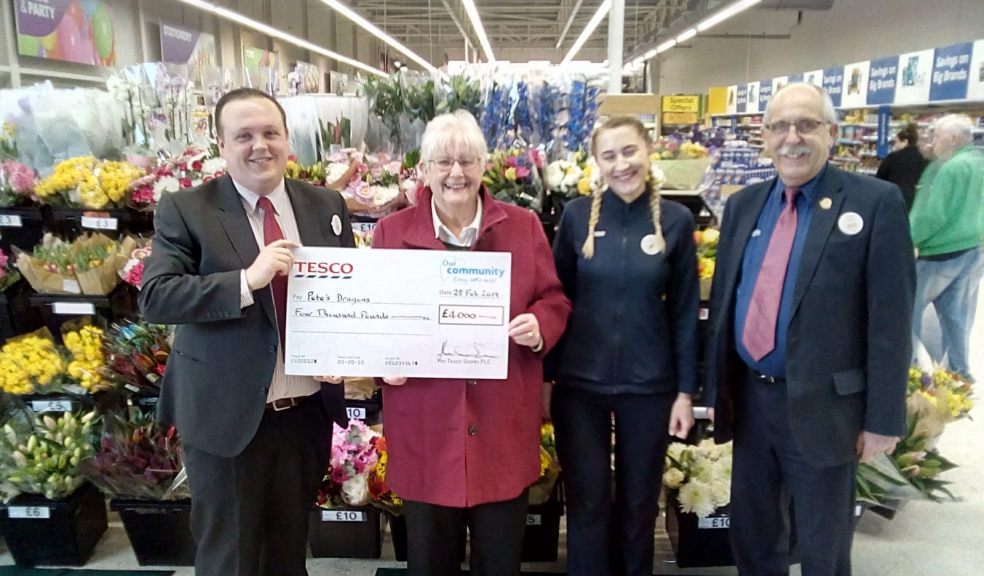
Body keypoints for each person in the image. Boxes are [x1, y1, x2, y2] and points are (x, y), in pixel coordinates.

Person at [138, 87, 354, 576]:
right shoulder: (187, 208)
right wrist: (246, 281)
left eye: (270, 132)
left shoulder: (326, 204)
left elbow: (348, 295)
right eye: (244, 136)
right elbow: (155, 296)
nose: (260, 145)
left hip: (304, 415)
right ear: (221, 144)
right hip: (227, 416)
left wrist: (352, 353)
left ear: (287, 139)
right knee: (229, 557)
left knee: (288, 552)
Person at [704, 83, 914, 576]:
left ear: (832, 134)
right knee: (753, 538)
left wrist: (884, 418)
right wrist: (714, 391)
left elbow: (891, 319)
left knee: (823, 547)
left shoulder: (874, 202)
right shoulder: (744, 205)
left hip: (826, 409)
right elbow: (727, 304)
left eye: (806, 125)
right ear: (765, 135)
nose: (791, 138)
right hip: (752, 404)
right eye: (779, 126)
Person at [370, 110, 571, 576]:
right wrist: (384, 362)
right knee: (429, 563)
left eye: (467, 160)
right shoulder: (391, 233)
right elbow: (376, 316)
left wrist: (539, 324)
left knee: (500, 562)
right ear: (423, 171)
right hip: (425, 426)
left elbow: (554, 299)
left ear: (484, 166)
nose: (455, 173)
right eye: (443, 162)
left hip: (501, 422)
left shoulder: (524, 227)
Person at [549, 115, 698, 576]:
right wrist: (545, 379)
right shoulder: (576, 218)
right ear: (597, 162)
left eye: (629, 152)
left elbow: (687, 313)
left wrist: (685, 393)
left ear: (648, 151)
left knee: (638, 504)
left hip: (650, 387)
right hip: (579, 387)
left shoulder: (676, 221)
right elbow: (555, 300)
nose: (621, 165)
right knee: (587, 502)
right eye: (609, 156)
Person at [909, 114, 984, 381]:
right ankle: (960, 373)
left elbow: (933, 215)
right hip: (972, 250)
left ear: (952, 138)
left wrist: (908, 240)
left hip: (940, 253)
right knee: (956, 318)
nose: (932, 141)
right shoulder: (978, 162)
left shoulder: (950, 168)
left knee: (907, 310)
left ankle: (910, 372)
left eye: (936, 135)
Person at [876, 122, 930, 211]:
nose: (895, 145)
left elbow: (880, 178)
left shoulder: (893, 157)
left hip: (893, 197)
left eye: (897, 142)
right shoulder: (923, 158)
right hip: (916, 199)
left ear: (905, 141)